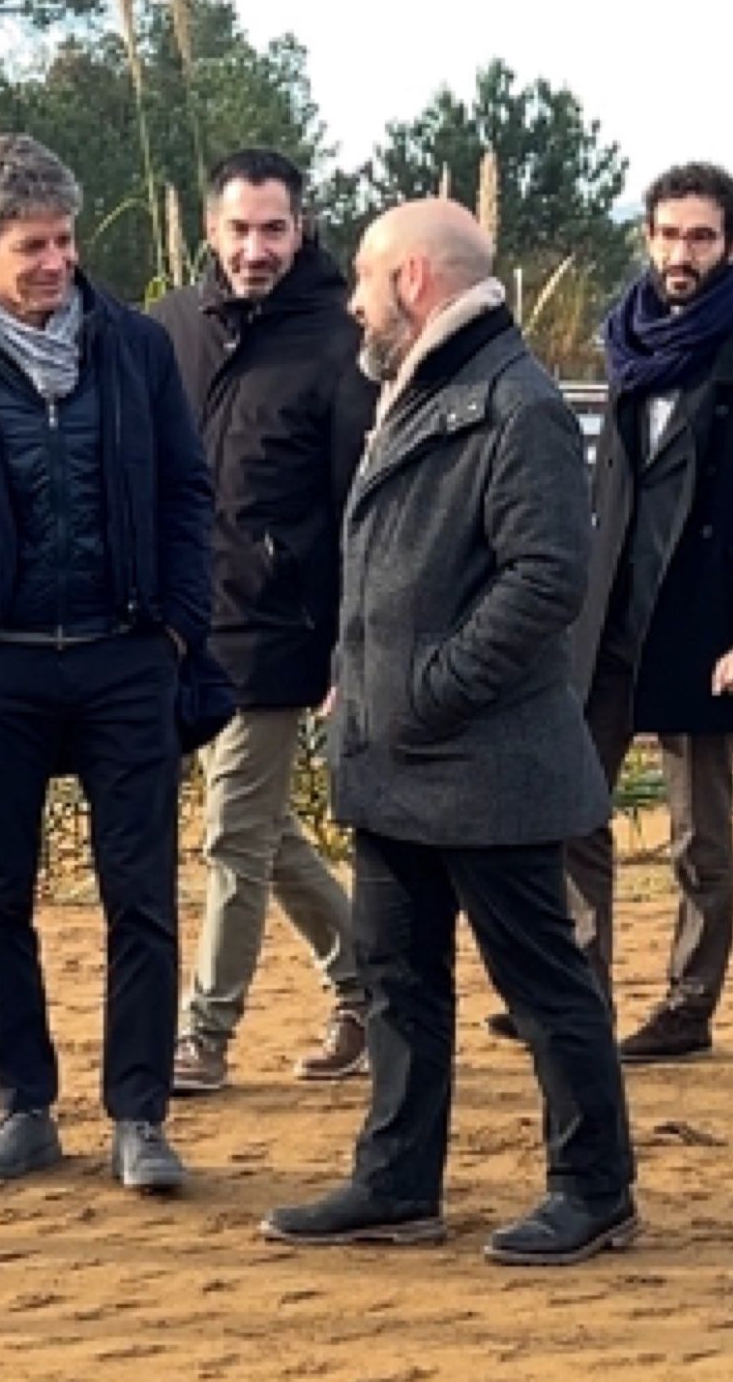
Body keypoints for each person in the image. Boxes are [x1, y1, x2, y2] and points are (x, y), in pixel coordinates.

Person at [261, 199, 638, 1267]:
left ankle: (595, 1189)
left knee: (544, 987)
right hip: (397, 760)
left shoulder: (514, 402)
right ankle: (395, 1183)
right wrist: (363, 679)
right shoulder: (424, 384)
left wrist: (429, 686)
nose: (350, 302)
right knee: (397, 978)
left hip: (487, 762)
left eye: (365, 280)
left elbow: (547, 579)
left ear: (415, 280)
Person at [0, 132, 225, 1198]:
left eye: (65, 241)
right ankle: (23, 1107)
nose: (55, 262)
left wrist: (178, 629)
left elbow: (189, 492)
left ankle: (140, 1113)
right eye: (30, 245)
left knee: (139, 895)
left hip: (124, 661)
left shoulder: (136, 349)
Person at [562, 161, 733, 1064]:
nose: (682, 252)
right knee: (570, 810)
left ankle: (687, 1004)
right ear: (649, 238)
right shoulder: (626, 342)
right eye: (669, 234)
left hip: (706, 623)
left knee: (697, 835)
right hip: (609, 620)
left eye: (701, 236)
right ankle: (577, 986)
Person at [156, 148, 375, 1095]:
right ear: (211, 230)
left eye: (274, 229)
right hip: (177, 625)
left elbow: (358, 508)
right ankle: (370, 983)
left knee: (232, 838)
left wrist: (343, 643)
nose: (255, 248)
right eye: (239, 229)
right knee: (259, 829)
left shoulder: (340, 340)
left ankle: (204, 1034)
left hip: (278, 630)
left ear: (301, 229)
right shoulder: (165, 328)